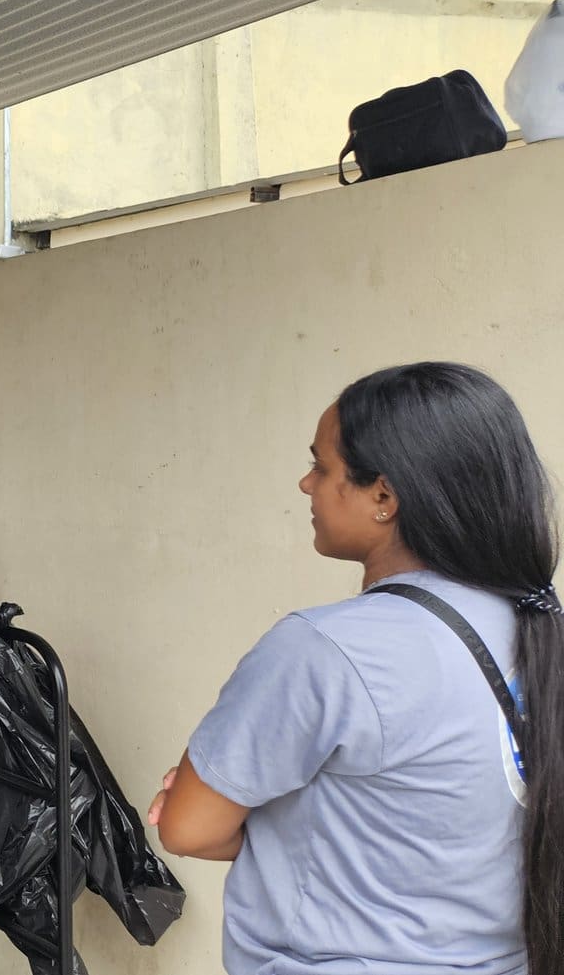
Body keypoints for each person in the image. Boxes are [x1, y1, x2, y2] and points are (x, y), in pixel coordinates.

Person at [149, 362, 563, 975]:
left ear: (384, 497)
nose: (305, 484)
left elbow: (188, 828)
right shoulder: (538, 627)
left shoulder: (326, 648)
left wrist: (259, 807)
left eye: (321, 467)